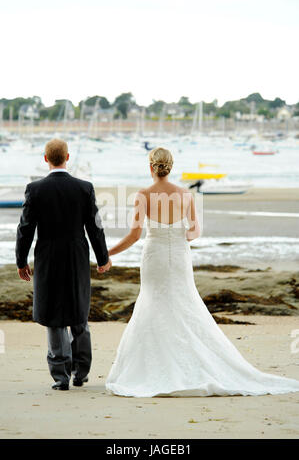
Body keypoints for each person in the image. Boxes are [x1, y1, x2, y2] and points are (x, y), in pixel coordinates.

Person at [105, 147, 299, 397]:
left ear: (150, 167)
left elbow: (134, 235)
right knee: (184, 303)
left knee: (154, 303)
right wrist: (181, 235)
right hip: (179, 256)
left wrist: (107, 254)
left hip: (154, 256)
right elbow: (196, 231)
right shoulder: (186, 194)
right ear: (170, 166)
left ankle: (157, 365)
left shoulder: (143, 195)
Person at [16, 138, 111, 391]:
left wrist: (21, 260)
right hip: (76, 256)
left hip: (47, 256)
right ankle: (81, 372)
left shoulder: (34, 189)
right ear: (67, 157)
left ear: (45, 158)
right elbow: (95, 227)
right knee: (79, 311)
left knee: (53, 315)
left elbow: (25, 229)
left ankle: (61, 377)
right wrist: (103, 258)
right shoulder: (84, 187)